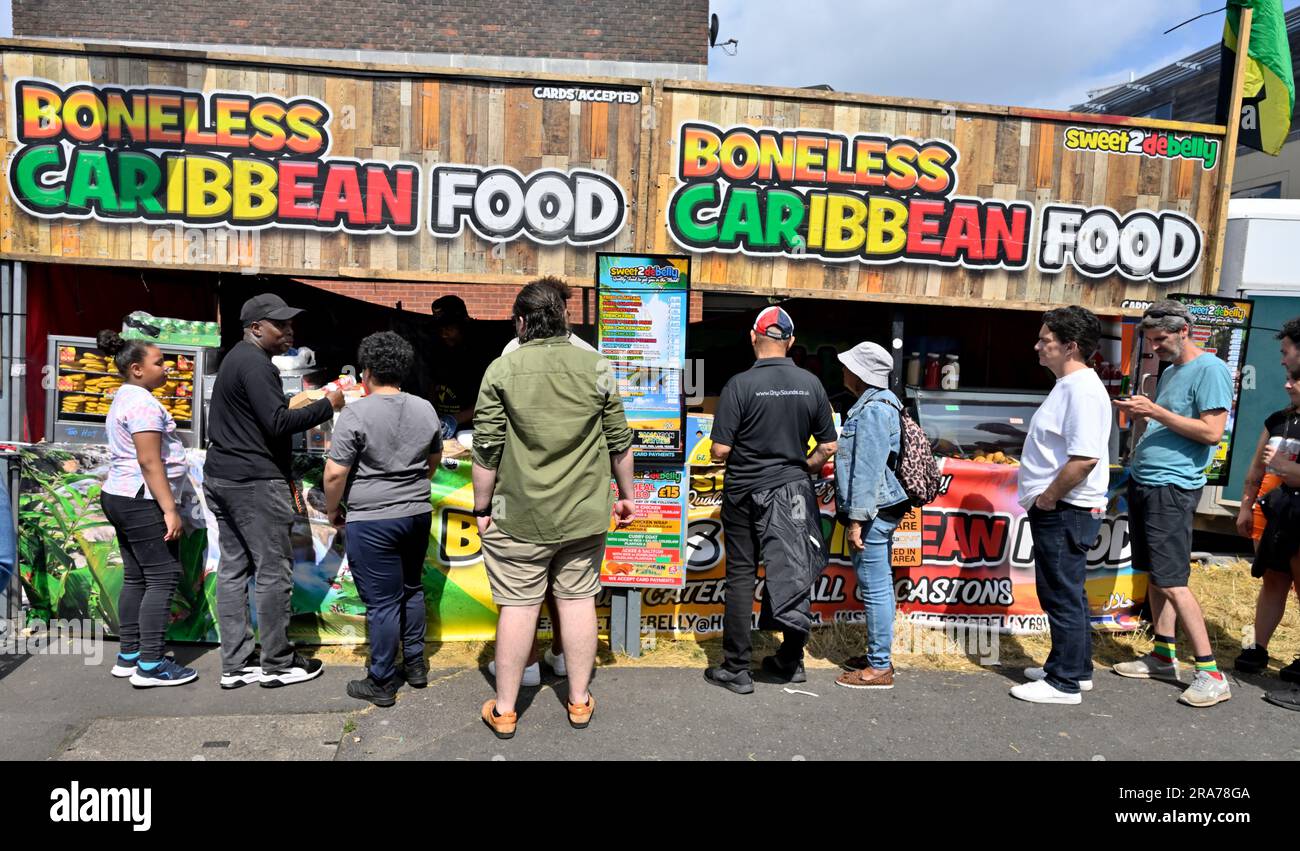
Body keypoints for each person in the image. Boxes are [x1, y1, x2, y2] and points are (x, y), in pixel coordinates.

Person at [473, 278, 636, 738]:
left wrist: (481, 507)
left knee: (518, 607)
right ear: (565, 317)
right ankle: (579, 700)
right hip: (583, 512)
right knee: (579, 600)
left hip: (519, 514)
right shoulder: (597, 366)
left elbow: (486, 449)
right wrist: (627, 495)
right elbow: (620, 442)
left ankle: (505, 710)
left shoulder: (501, 370)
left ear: (520, 322)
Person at [204, 293, 344, 689]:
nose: (289, 330)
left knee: (234, 569)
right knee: (272, 571)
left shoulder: (238, 359)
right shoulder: (255, 363)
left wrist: (291, 402)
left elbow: (263, 414)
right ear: (255, 328)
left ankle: (235, 663)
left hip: (223, 477)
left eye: (290, 323)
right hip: (252, 482)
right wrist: (327, 404)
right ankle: (277, 663)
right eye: (279, 324)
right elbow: (278, 423)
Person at [704, 306, 838, 694]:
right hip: (792, 491)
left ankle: (736, 668)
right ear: (790, 342)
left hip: (744, 491)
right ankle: (791, 660)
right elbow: (828, 445)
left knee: (741, 575)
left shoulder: (739, 385)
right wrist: (803, 467)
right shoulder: (811, 384)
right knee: (794, 568)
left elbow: (720, 450)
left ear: (753, 337)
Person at [1112, 300, 1233, 708]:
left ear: (1184, 331)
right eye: (1150, 340)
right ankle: (1164, 656)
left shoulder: (1211, 369)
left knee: (1174, 580)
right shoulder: (1171, 371)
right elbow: (1174, 422)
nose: (1155, 347)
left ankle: (1210, 673)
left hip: (1172, 486)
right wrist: (1143, 416)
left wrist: (1154, 411)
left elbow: (1212, 432)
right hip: (1148, 481)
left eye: (1160, 339)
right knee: (1156, 575)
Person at [323, 332, 442, 707]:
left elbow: (334, 474)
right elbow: (433, 462)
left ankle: (382, 680)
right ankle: (416, 666)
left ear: (367, 372)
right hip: (416, 513)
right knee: (411, 589)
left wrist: (332, 509)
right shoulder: (425, 408)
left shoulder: (356, 413)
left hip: (373, 519)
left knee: (383, 603)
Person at [1009, 307, 1112, 705]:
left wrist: (1049, 497)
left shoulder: (1081, 389)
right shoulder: (1070, 385)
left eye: (1045, 340)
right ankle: (1074, 668)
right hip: (1065, 507)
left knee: (1060, 593)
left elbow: (1085, 458)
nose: (1037, 346)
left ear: (1070, 346)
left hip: (1066, 507)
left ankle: (1063, 682)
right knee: (1069, 591)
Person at [96, 331, 198, 687]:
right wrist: (169, 509)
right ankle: (151, 665)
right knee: (162, 577)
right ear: (137, 369)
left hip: (121, 495)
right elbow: (149, 460)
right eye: (159, 362)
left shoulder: (126, 396)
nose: (166, 368)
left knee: (137, 577)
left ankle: (130, 656)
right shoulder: (142, 404)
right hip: (141, 500)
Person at [832, 342, 910, 690]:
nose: (843, 371)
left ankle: (879, 667)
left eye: (848, 366)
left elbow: (867, 471)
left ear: (860, 374)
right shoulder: (878, 405)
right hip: (879, 508)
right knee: (877, 584)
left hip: (873, 511)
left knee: (875, 587)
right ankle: (878, 657)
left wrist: (857, 520)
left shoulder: (874, 410)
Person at [1235, 364, 1300, 682]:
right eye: (1288, 378)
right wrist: (1246, 507)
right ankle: (1258, 648)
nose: (1288, 385)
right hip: (1271, 511)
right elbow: (1255, 469)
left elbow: (1282, 467)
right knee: (1273, 580)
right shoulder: (1277, 420)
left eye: (1296, 380)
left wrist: (1284, 465)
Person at [427, 295, 497, 440]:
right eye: (440, 329)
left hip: (471, 431)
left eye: (449, 328)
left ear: (462, 325)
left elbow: (489, 399)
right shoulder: (437, 349)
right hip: (441, 427)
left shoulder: (481, 353)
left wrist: (455, 419)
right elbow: (432, 385)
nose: (444, 334)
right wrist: (432, 415)